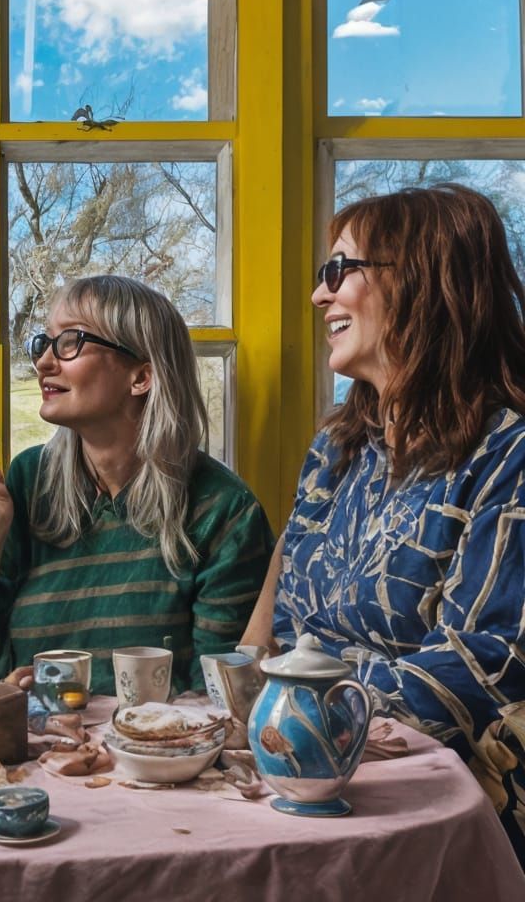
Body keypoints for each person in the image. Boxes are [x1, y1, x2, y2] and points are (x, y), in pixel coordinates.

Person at [241, 184, 525, 861]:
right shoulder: (335, 453)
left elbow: (486, 660)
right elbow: (279, 628)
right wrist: (236, 703)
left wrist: (302, 708)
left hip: (424, 798)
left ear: (424, 283)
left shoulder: (509, 453)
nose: (319, 295)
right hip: (298, 772)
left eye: (340, 271)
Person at [0, 274, 274, 696]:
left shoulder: (224, 511)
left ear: (141, 377)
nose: (43, 362)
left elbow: (219, 693)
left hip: (154, 751)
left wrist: (79, 700)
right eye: (45, 342)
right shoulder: (27, 481)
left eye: (71, 341)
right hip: (29, 749)